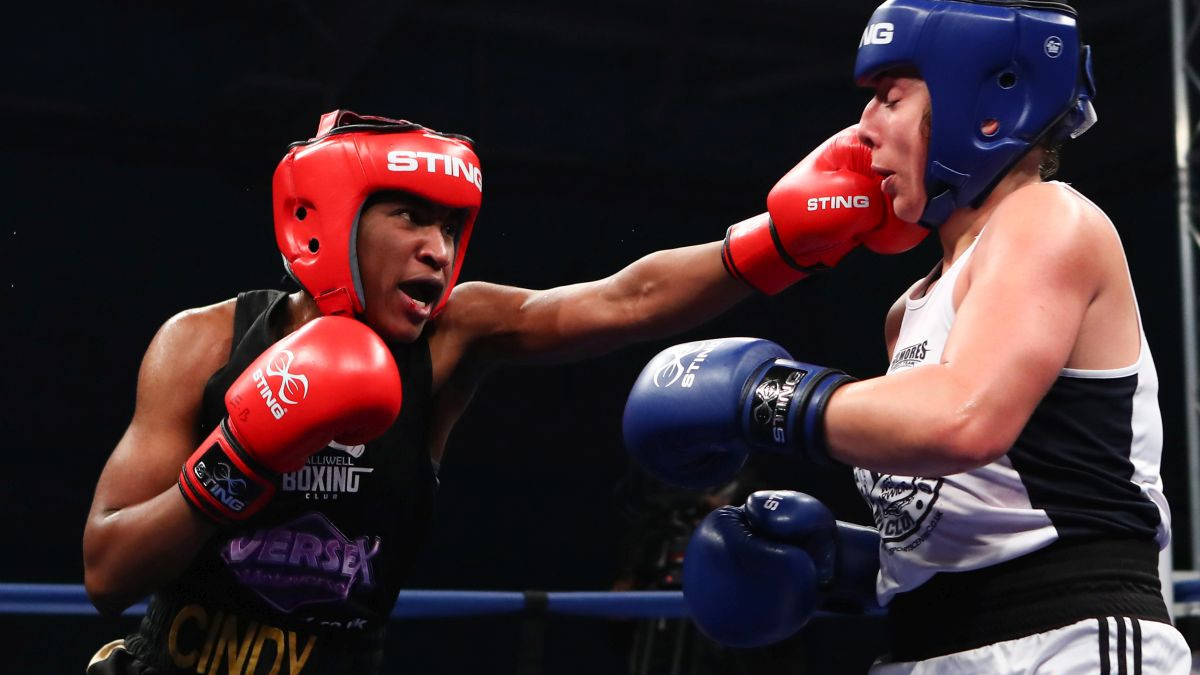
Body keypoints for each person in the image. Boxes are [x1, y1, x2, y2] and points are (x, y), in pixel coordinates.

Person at [81, 110, 924, 674]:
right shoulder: (204, 342)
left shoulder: (455, 336)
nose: (437, 250)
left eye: (450, 227)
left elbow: (621, 300)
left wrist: (781, 241)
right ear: (330, 218)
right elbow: (107, 570)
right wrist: (237, 457)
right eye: (408, 217)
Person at [621, 0, 1194, 672]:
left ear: (986, 100)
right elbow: (964, 516)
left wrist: (763, 397)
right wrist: (840, 559)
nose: (863, 128)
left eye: (890, 97)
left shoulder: (1048, 217)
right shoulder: (911, 311)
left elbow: (965, 418)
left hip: (1066, 644)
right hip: (931, 650)